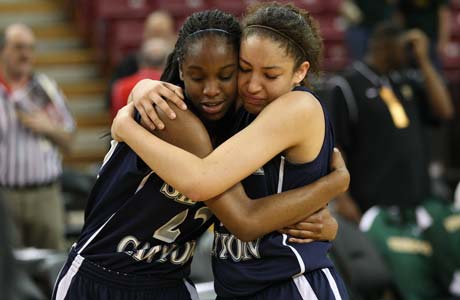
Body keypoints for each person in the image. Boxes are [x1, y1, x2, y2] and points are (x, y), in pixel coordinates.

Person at [53, 10, 349, 300]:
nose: (211, 90)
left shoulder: (249, 119)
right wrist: (334, 184)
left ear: (301, 71)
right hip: (103, 278)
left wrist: (329, 204)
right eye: (246, 70)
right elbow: (236, 212)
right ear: (182, 70)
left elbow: (259, 203)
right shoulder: (173, 114)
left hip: (178, 282)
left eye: (227, 75)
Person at [328, 22, 456, 299]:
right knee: (403, 281)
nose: (409, 54)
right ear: (383, 46)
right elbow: (334, 146)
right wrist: (343, 198)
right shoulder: (347, 84)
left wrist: (424, 60)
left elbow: (444, 111)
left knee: (440, 274)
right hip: (376, 209)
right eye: (405, 49)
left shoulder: (405, 80)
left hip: (418, 203)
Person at [0, 23, 75, 250]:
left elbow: (70, 141)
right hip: (4, 197)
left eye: (30, 48)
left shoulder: (45, 88)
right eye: (19, 47)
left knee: (50, 266)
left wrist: (49, 128)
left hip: (45, 196)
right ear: (2, 50)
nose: (26, 54)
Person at [106, 10, 176, 107]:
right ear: (146, 34)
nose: (157, 39)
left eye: (162, 34)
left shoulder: (179, 63)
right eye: (154, 33)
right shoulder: (129, 63)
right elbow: (112, 97)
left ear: (172, 34)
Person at [111, 37, 172, 119]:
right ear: (167, 62)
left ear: (141, 60)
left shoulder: (121, 86)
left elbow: (116, 116)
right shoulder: (171, 86)